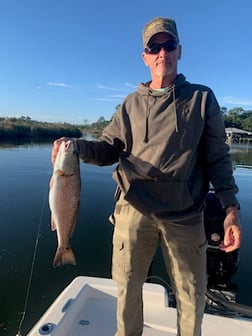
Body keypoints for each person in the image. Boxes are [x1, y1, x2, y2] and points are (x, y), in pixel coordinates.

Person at [52, 17, 241, 336]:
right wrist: (76, 148)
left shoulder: (201, 98)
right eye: (154, 47)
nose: (161, 52)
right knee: (126, 293)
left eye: (168, 45)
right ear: (145, 56)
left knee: (192, 298)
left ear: (179, 51)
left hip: (185, 216)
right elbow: (108, 149)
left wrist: (230, 209)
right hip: (133, 212)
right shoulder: (130, 105)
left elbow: (218, 159)